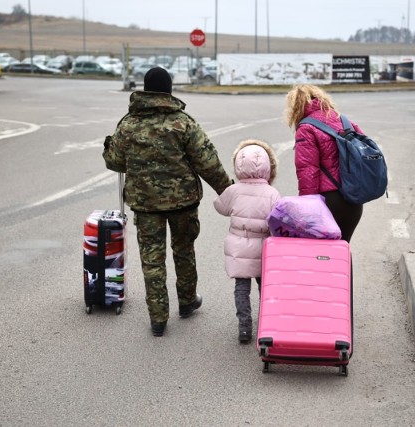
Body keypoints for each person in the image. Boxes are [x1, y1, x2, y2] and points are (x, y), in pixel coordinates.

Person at [102, 67, 233, 337]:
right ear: (169, 90)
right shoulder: (183, 122)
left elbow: (113, 162)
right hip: (183, 203)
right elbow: (207, 163)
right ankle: (186, 302)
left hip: (145, 205)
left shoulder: (128, 124)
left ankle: (158, 318)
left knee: (152, 260)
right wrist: (229, 192)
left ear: (145, 89)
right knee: (184, 251)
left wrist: (109, 146)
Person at [213, 139, 281, 344]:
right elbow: (279, 218)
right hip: (263, 246)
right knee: (264, 287)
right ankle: (266, 324)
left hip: (238, 245)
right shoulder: (272, 193)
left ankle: (244, 327)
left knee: (242, 287)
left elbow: (221, 207)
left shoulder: (234, 191)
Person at [285, 84, 364, 243]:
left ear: (296, 107)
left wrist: (307, 209)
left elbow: (308, 171)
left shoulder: (306, 128)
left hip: (330, 200)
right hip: (354, 200)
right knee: (343, 248)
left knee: (324, 254)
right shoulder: (343, 120)